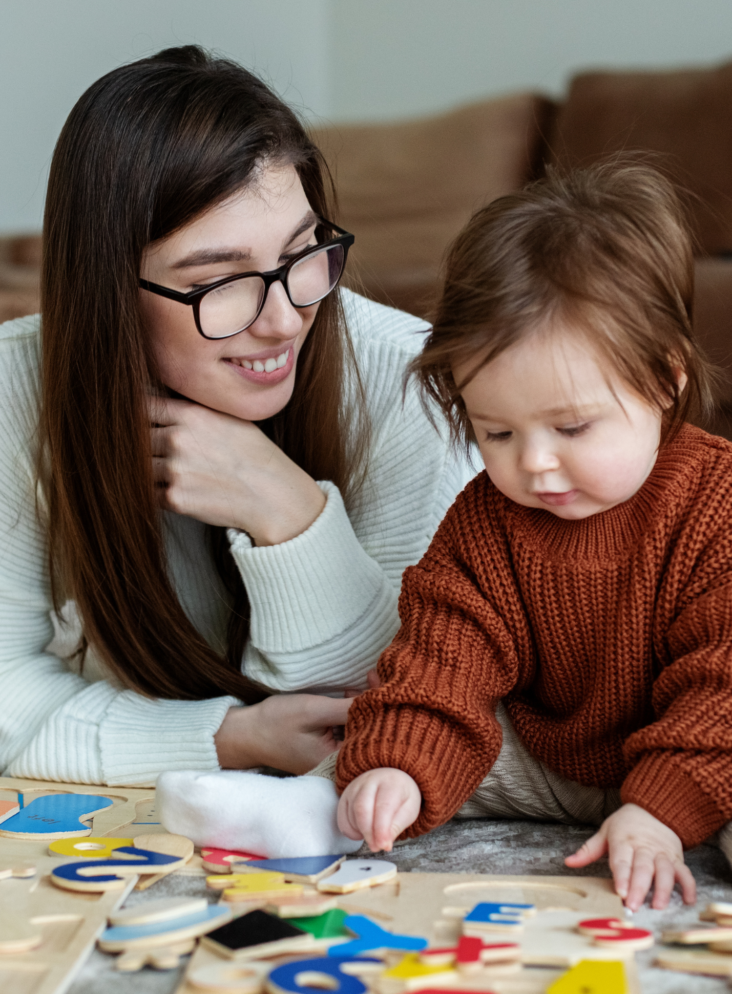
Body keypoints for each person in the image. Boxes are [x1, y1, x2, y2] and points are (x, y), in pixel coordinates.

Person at [0, 46, 473, 787]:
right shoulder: (12, 391)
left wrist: (288, 512)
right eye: (221, 282)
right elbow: (7, 702)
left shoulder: (413, 385)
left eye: (302, 252)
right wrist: (229, 737)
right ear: (109, 292)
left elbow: (398, 711)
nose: (285, 319)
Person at [333, 160, 732, 910]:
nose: (535, 463)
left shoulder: (716, 502)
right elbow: (441, 661)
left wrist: (660, 808)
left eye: (572, 426)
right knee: (396, 761)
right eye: (497, 431)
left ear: (666, 381)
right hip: (556, 765)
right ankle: (338, 805)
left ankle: (663, 817)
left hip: (700, 746)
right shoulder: (486, 521)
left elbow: (725, 681)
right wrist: (395, 769)